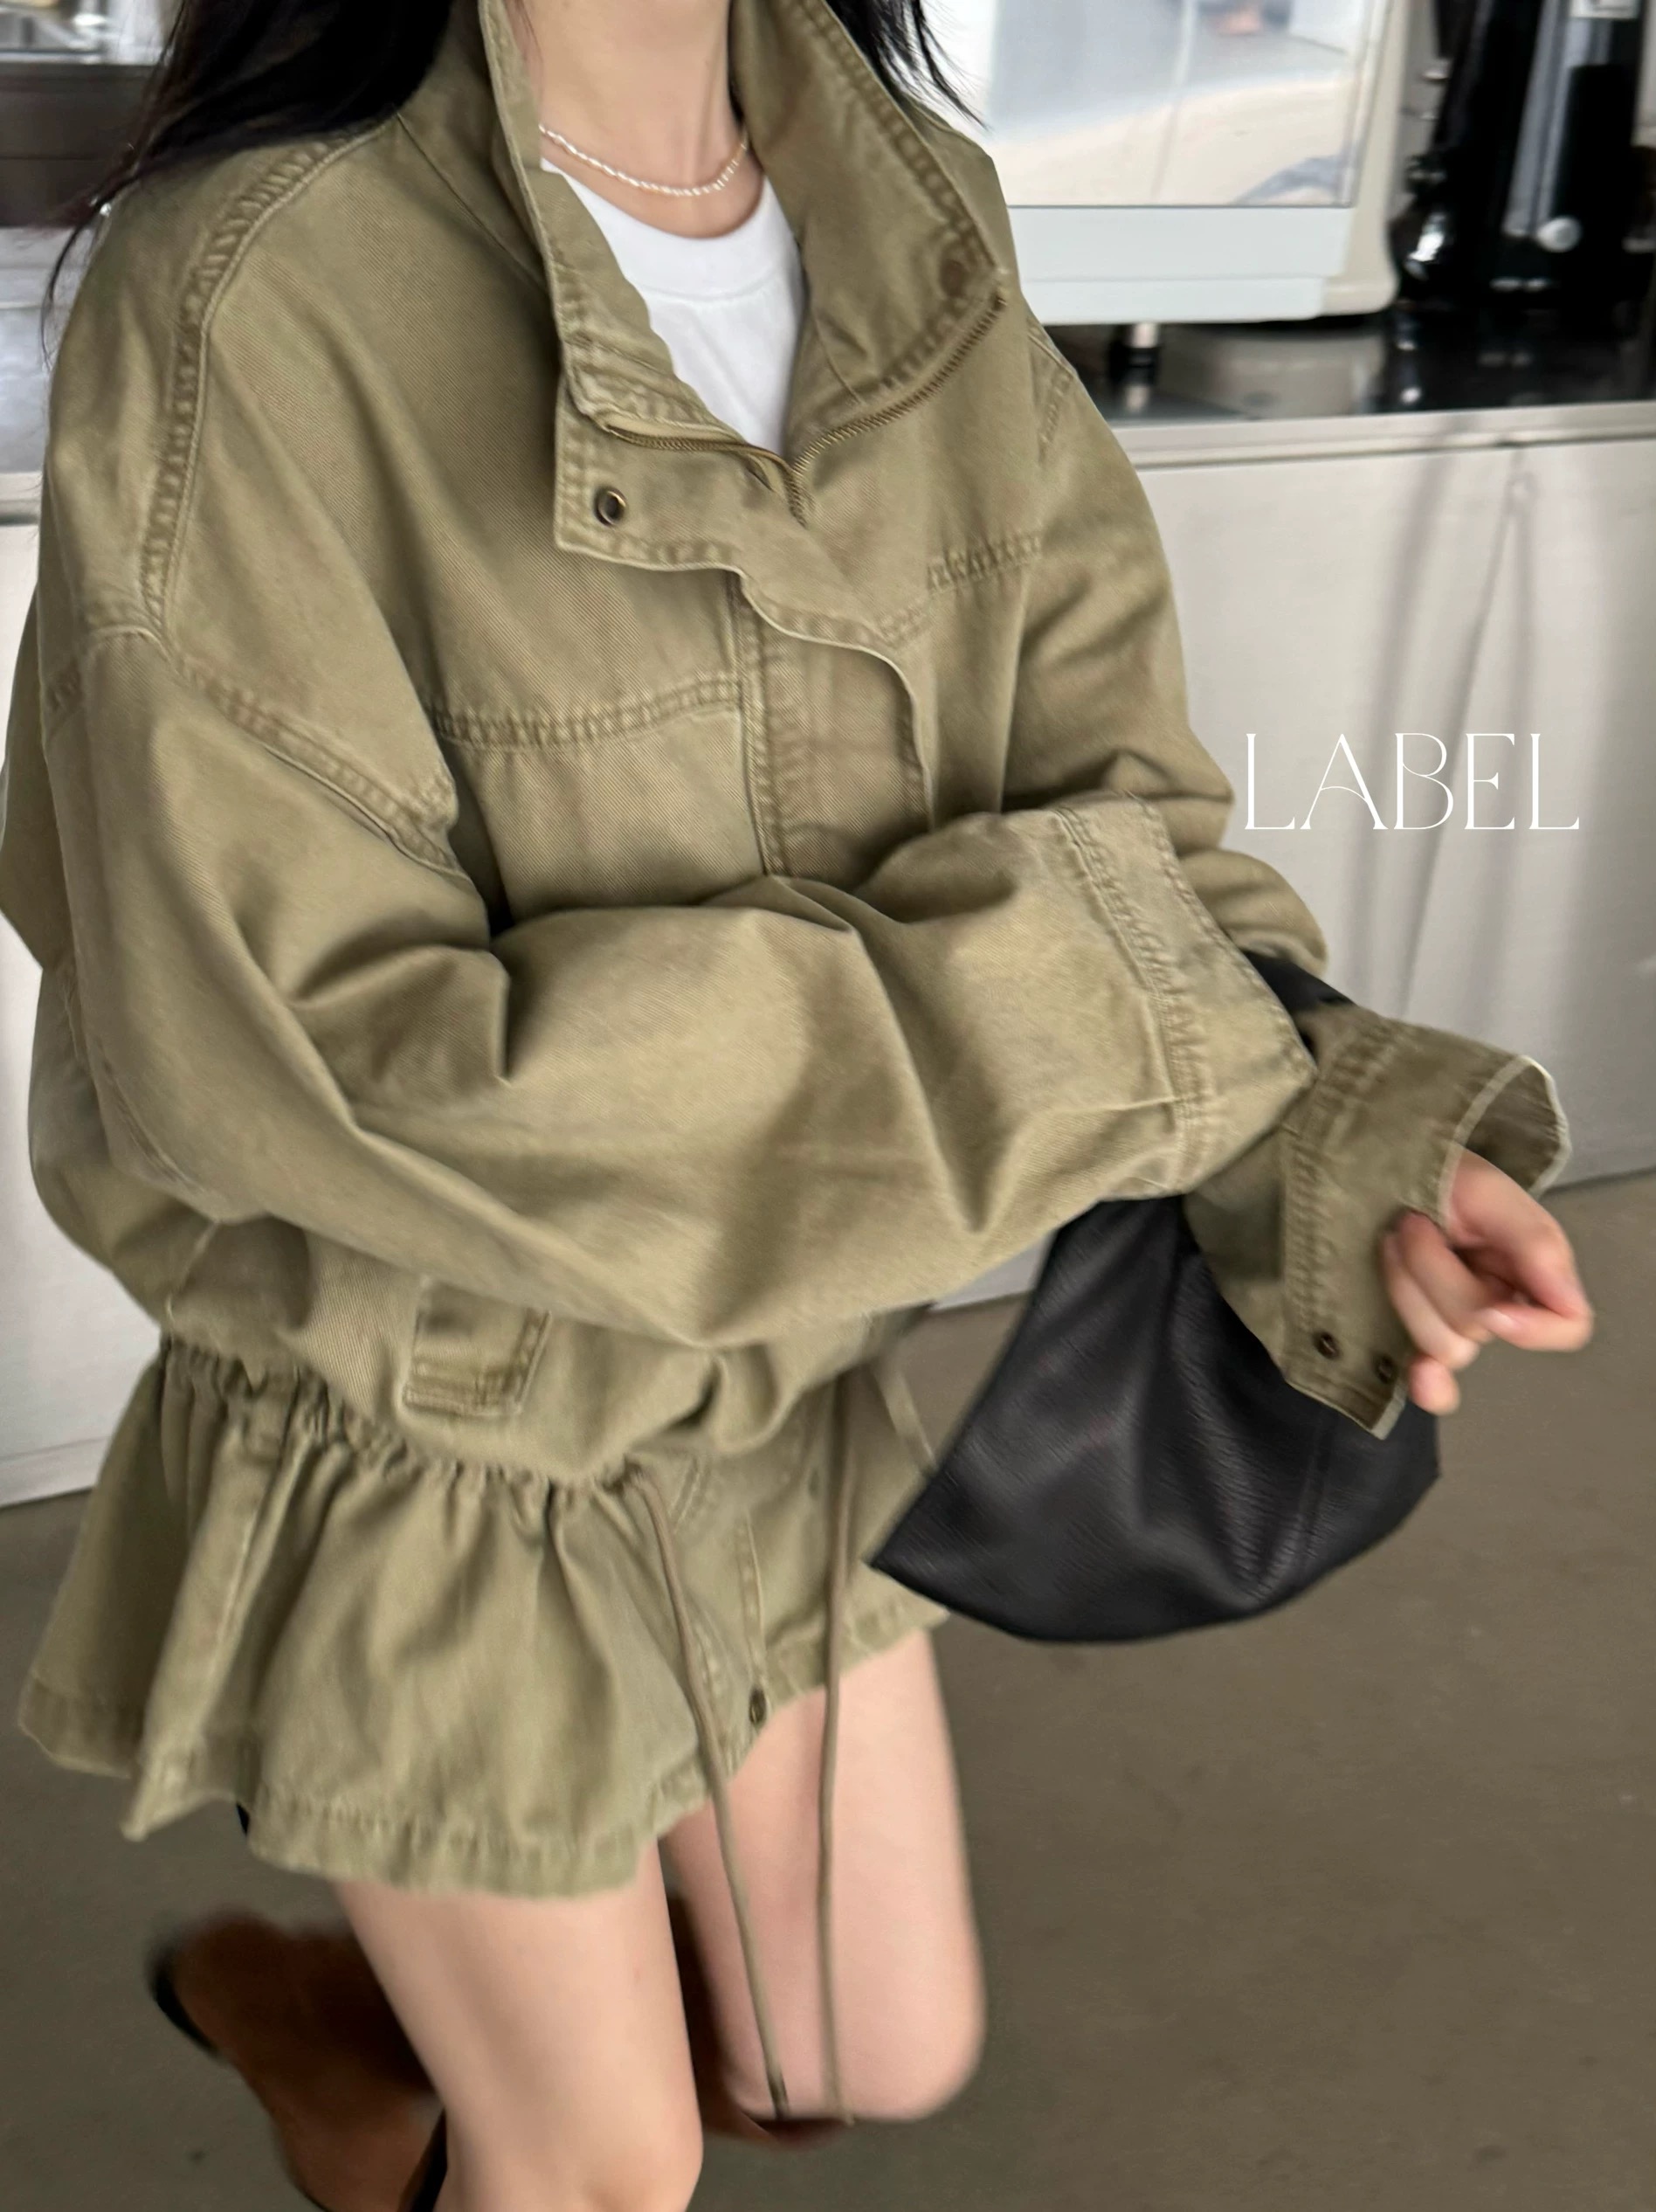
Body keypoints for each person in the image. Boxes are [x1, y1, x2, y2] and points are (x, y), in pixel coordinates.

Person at [1, 2, 1592, 2209]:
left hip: (791, 1391)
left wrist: (1328, 1141)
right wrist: (1114, 1036)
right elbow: (311, 1062)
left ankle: (344, 2026)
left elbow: (1117, 815)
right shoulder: (251, 282)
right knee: (603, 2168)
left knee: (865, 2050)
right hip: (442, 1422)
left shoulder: (915, 213)